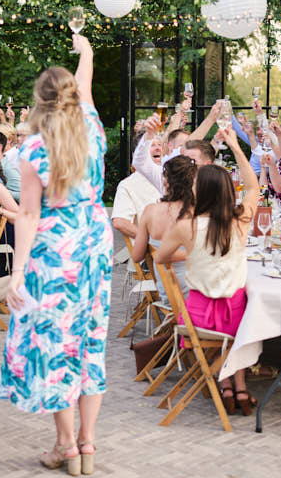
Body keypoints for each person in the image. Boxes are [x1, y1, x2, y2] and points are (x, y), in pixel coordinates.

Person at [0, 33, 113, 478]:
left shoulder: (33, 147)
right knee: (89, 339)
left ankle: (65, 445)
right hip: (94, 241)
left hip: (55, 248)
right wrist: (87, 52)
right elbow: (85, 86)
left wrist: (17, 273)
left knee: (57, 342)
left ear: (40, 101)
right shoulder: (93, 128)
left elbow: (28, 214)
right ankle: (88, 442)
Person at [155, 125, 260, 416]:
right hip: (235, 319)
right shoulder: (240, 221)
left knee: (224, 331)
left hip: (197, 317)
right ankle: (238, 387)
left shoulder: (186, 226)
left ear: (199, 191)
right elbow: (253, 187)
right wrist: (236, 147)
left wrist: (192, 252)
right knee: (244, 316)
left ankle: (226, 385)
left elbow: (160, 257)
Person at [131, 155, 198, 289]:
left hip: (166, 290)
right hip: (193, 290)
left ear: (166, 181)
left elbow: (136, 256)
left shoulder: (150, 211)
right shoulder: (197, 214)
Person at [132, 105, 218, 195]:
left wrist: (217, 139)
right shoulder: (163, 175)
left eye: (192, 161)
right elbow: (139, 162)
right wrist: (210, 119)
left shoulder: (204, 184)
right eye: (152, 145)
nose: (187, 162)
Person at [110, 139, 162, 240]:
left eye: (160, 144)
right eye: (151, 145)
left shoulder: (173, 176)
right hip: (156, 246)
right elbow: (119, 221)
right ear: (136, 155)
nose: (158, 148)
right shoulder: (128, 185)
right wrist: (150, 241)